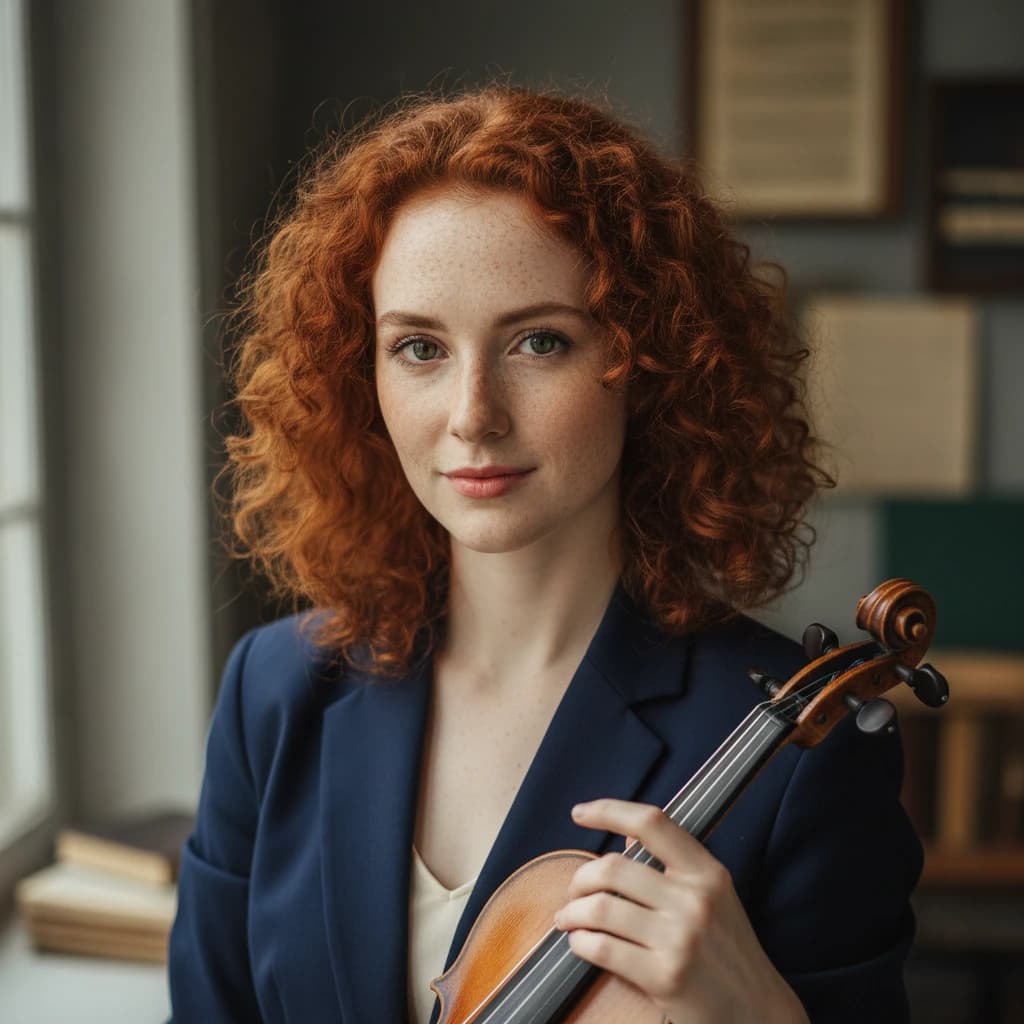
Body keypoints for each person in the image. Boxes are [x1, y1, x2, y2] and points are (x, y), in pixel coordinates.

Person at [167, 84, 923, 1024]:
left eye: (538, 341)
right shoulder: (273, 693)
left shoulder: (798, 758)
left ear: (648, 362)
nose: (473, 413)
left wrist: (760, 1015)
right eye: (418, 348)